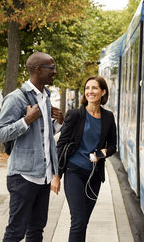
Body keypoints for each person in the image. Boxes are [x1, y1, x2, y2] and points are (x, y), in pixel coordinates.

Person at [0, 52, 64, 241]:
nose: (55, 72)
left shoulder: (45, 97)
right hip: (23, 177)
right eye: (51, 68)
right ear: (38, 70)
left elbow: (43, 137)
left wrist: (59, 123)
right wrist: (26, 120)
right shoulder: (16, 98)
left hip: (44, 177)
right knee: (16, 232)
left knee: (36, 231)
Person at [53, 75, 117, 242]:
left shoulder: (108, 117)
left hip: (94, 176)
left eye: (94, 88)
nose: (90, 91)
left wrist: (101, 154)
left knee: (83, 222)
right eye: (87, 88)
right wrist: (56, 176)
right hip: (74, 172)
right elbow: (61, 145)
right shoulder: (75, 115)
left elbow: (113, 146)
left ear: (103, 92)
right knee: (78, 220)